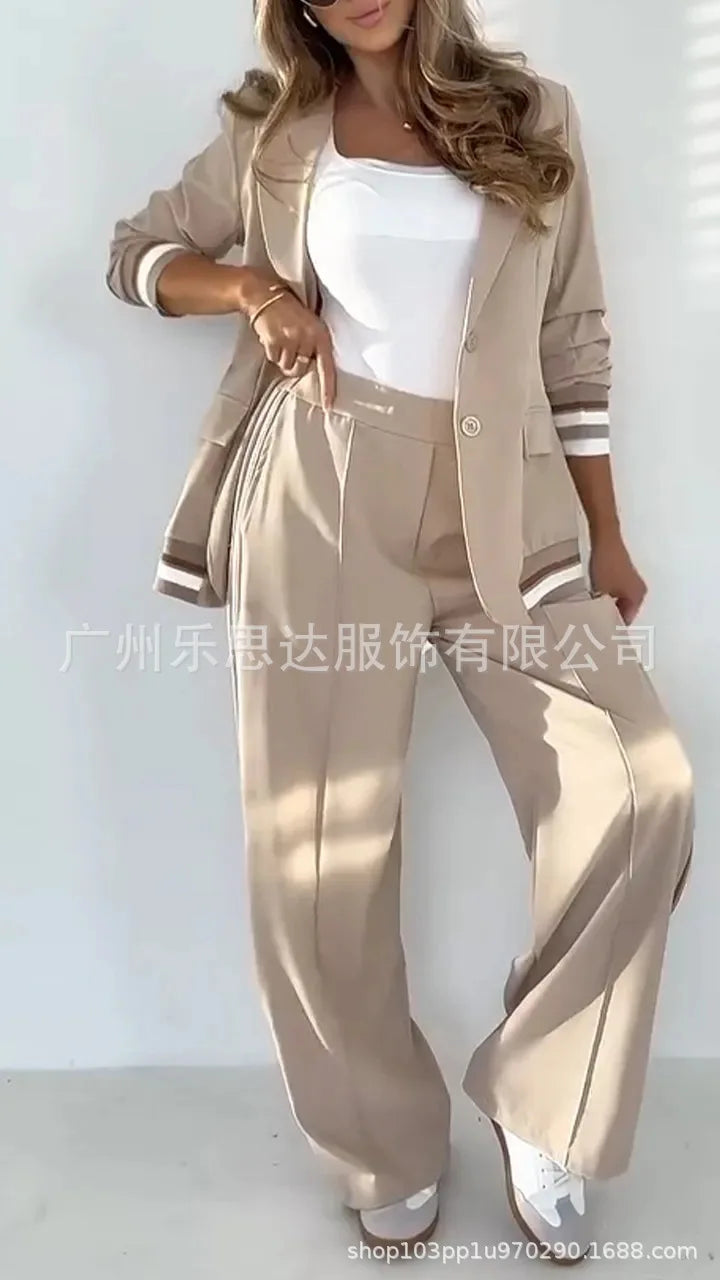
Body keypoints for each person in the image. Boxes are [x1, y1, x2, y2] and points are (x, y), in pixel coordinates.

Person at [106, 0, 695, 1264]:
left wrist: (609, 532)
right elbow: (139, 255)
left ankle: (545, 1099)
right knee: (318, 843)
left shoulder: (532, 116)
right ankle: (381, 1138)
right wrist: (255, 288)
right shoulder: (274, 129)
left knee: (640, 781)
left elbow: (573, 343)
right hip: (325, 487)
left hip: (512, 506)